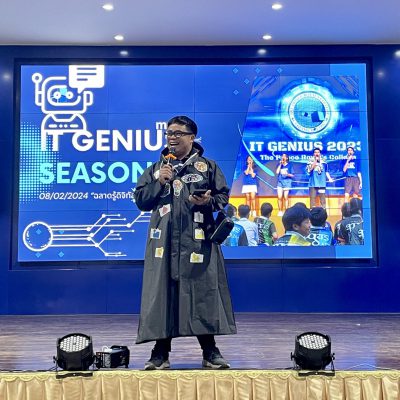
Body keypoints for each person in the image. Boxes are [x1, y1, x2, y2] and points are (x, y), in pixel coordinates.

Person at [134, 115, 236, 370]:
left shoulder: (207, 167)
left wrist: (208, 202)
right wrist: (159, 182)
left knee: (202, 294)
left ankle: (210, 351)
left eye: (178, 133)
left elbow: (223, 198)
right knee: (162, 295)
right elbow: (141, 201)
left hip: (197, 242)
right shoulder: (157, 169)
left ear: (192, 137)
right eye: (169, 133)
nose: (172, 137)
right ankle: (160, 353)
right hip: (164, 243)